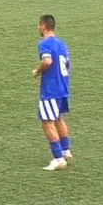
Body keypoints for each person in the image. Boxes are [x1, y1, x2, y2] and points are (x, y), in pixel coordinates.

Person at [33, 14, 74, 171]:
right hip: (63, 87)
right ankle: (65, 150)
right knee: (58, 118)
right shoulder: (62, 44)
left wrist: (37, 71)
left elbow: (47, 61)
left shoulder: (45, 44)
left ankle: (58, 159)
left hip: (51, 89)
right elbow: (67, 65)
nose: (38, 28)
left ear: (44, 26)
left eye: (39, 25)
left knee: (47, 122)